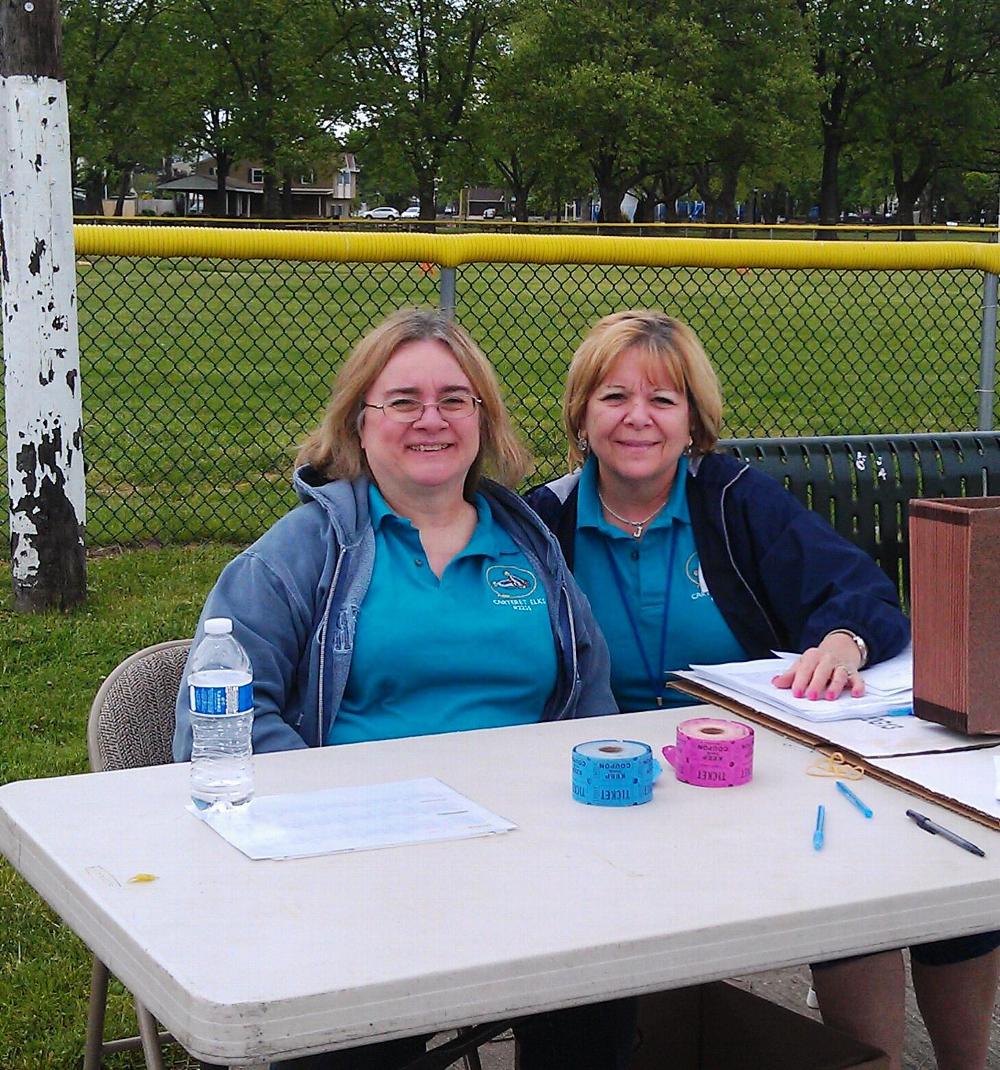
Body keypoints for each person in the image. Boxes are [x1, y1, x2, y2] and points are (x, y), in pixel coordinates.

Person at [525, 309, 1000, 1070]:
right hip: (605, 782)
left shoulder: (733, 499)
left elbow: (863, 593)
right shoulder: (541, 520)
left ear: (694, 422)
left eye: (664, 400)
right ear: (581, 416)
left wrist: (842, 641)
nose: (638, 418)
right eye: (614, 397)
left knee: (908, 856)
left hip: (753, 774)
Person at [174, 308, 624, 1070]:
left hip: (533, 856)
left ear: (483, 418)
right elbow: (220, 721)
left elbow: (590, 701)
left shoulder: (529, 544)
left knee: (607, 981)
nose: (432, 420)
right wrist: (355, 814)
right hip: (356, 871)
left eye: (455, 400)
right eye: (404, 401)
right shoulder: (300, 553)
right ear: (359, 420)